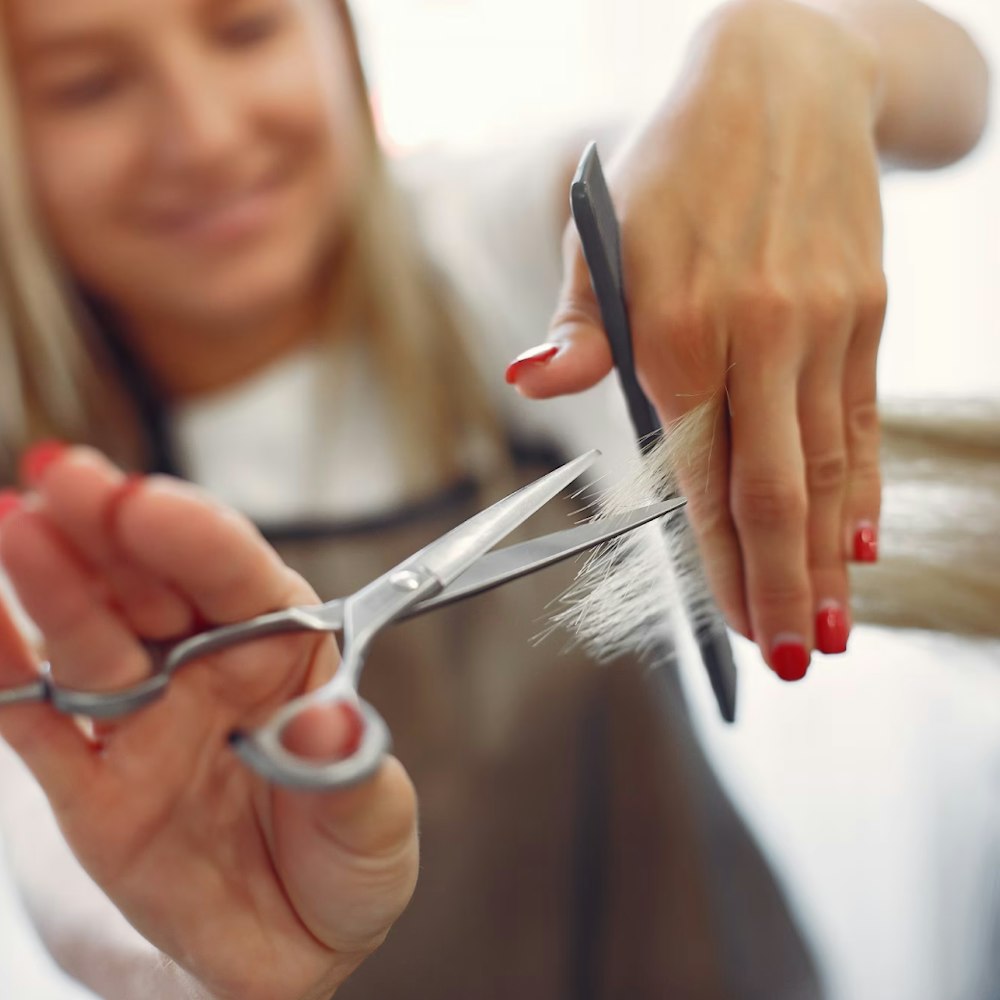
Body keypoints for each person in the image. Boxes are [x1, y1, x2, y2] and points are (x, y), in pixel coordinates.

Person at [0, 0, 990, 997]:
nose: (205, 134)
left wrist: (799, 49)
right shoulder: (36, 522)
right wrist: (180, 964)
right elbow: (57, 831)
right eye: (88, 85)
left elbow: (958, 92)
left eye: (247, 29)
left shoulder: (490, 255)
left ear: (338, 37)